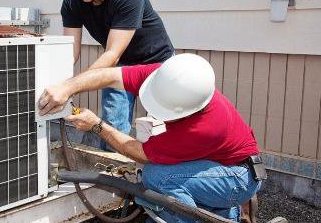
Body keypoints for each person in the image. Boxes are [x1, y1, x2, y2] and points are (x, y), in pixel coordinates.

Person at [38, 54, 264, 222]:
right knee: (163, 184)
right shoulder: (168, 77)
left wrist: (97, 126)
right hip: (220, 164)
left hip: (239, 178)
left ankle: (216, 209)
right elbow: (108, 75)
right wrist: (67, 87)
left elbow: (141, 153)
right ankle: (225, 214)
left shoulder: (203, 127)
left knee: (158, 177)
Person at [61, 0, 174, 149]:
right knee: (112, 127)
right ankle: (112, 177)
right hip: (120, 66)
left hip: (157, 63)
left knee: (162, 129)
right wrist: (59, 83)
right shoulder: (71, 2)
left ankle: (159, 177)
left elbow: (112, 53)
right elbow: (71, 52)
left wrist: (71, 87)